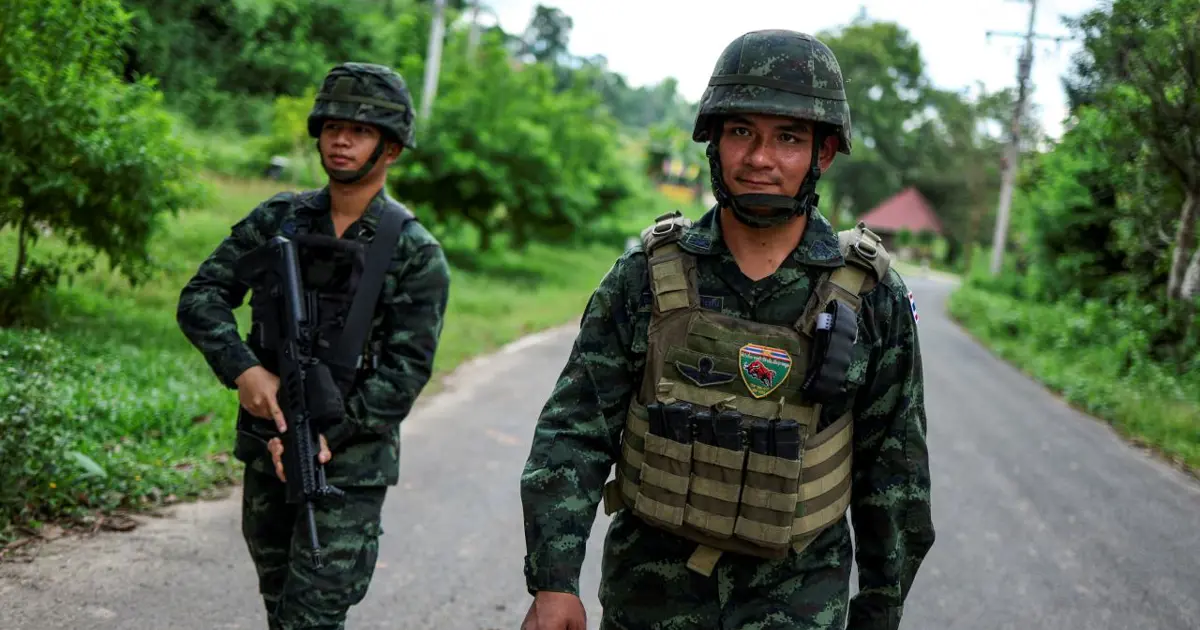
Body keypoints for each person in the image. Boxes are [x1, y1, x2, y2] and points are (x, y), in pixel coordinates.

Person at [518, 30, 934, 630]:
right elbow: (575, 432)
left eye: (788, 138)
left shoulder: (872, 297)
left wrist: (880, 611)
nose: (760, 158)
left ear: (822, 154)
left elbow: (894, 475)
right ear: (714, 141)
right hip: (649, 600)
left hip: (798, 605)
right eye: (742, 132)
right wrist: (553, 582)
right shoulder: (645, 277)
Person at [176, 62, 451, 630]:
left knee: (311, 617)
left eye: (361, 130)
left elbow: (404, 375)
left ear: (392, 148)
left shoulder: (415, 253)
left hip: (346, 468)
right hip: (265, 446)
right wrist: (245, 371)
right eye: (331, 126)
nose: (341, 139)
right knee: (280, 606)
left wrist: (321, 437)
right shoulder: (278, 218)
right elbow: (201, 296)